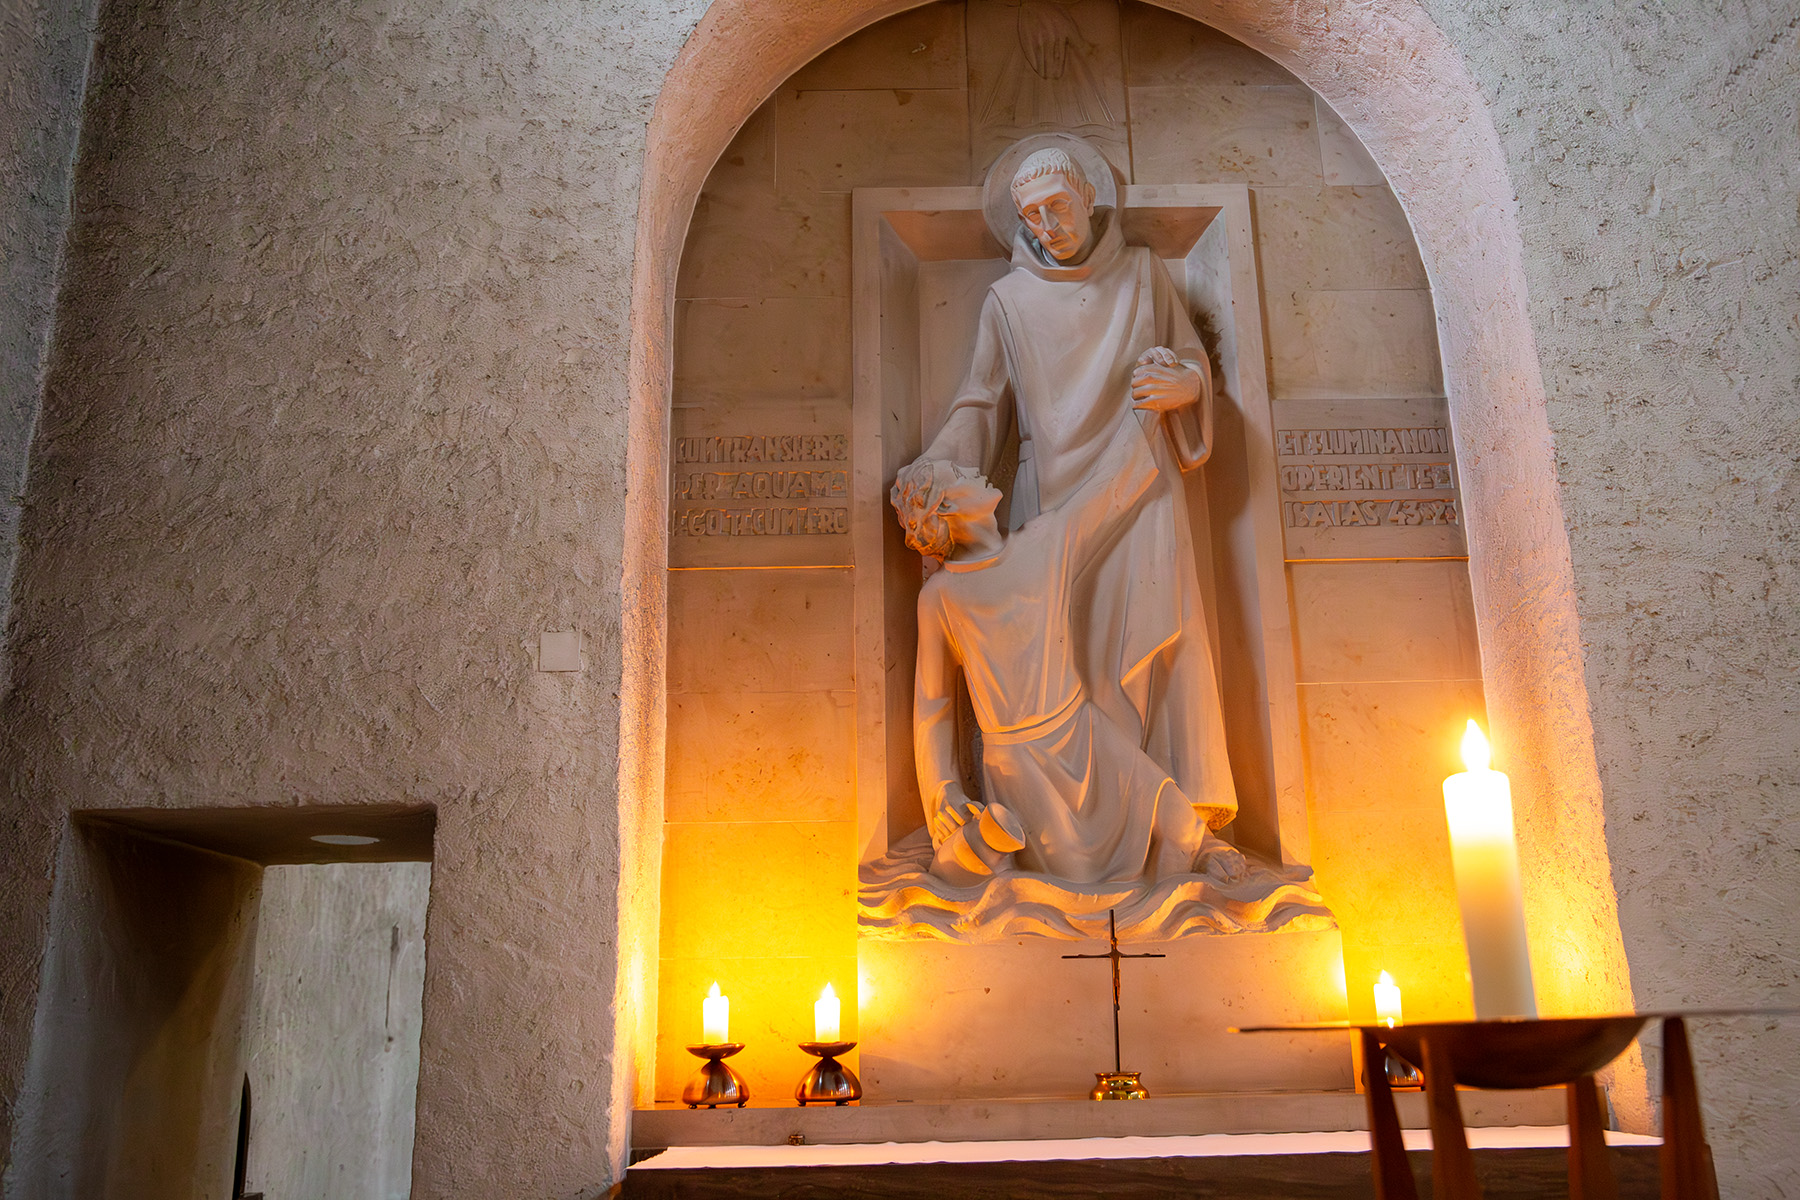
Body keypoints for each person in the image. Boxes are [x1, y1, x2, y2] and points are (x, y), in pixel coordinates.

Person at [912, 140, 1238, 844]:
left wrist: (1187, 386)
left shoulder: (1144, 274)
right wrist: (931, 479)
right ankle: (1077, 836)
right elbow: (980, 403)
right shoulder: (1008, 300)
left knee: (1145, 643)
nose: (1047, 225)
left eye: (1058, 207)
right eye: (1031, 215)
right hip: (1052, 498)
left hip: (1143, 486)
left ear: (1088, 197)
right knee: (1069, 663)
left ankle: (1166, 829)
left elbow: (1190, 362)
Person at [893, 412, 1245, 885]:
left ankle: (1197, 856)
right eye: (959, 473)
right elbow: (933, 705)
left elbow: (1110, 486)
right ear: (947, 507)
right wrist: (944, 790)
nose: (974, 471)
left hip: (1085, 734)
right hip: (1021, 766)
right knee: (1070, 877)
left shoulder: (1043, 542)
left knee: (1181, 826)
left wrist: (1148, 412)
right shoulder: (941, 598)